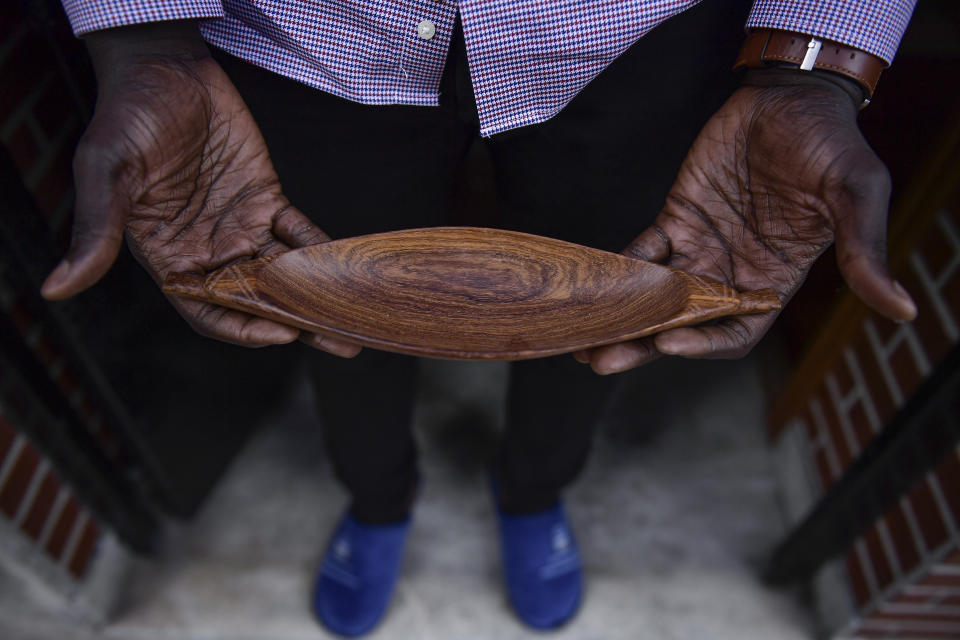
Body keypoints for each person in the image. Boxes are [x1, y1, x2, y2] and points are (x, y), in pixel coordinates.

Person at [46, 0, 918, 636]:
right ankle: (378, 499)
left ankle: (534, 491)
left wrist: (815, 63)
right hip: (311, 34)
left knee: (615, 305)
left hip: (632, 35)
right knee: (324, 297)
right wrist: (143, 35)